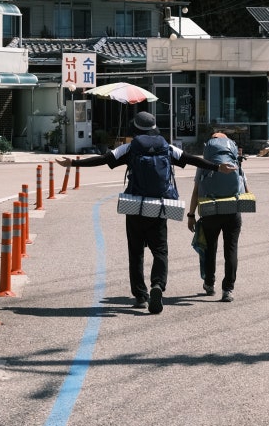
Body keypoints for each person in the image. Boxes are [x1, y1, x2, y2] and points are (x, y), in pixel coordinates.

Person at [57, 111, 235, 315]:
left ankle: (141, 296)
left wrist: (73, 163)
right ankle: (157, 285)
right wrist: (218, 167)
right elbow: (192, 160)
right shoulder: (166, 147)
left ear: (136, 127)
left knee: (136, 252)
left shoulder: (131, 147)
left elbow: (104, 159)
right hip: (159, 206)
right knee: (160, 250)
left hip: (134, 206)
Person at [187, 132, 244, 303]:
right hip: (232, 211)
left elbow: (196, 192)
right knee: (231, 250)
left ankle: (209, 283)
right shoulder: (235, 162)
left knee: (210, 248)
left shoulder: (205, 163)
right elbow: (244, 188)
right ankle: (228, 290)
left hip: (210, 209)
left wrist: (191, 215)